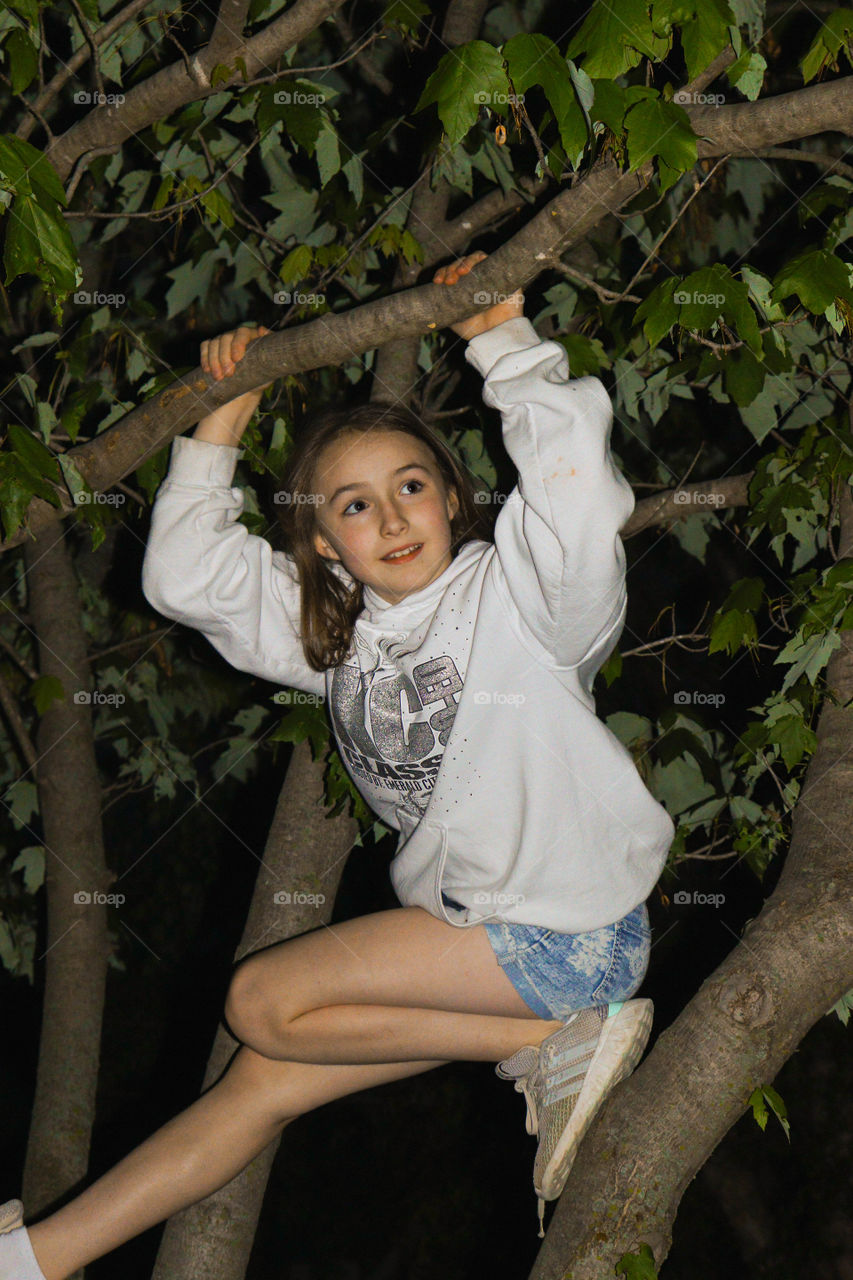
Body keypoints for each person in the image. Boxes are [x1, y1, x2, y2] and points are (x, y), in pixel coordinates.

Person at [0, 252, 674, 1279]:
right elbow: (185, 575)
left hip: (564, 930)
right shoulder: (340, 639)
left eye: (410, 485)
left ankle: (536, 1046)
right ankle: (31, 1262)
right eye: (354, 505)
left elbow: (577, 494)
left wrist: (501, 339)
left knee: (260, 1003)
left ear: (453, 493)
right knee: (260, 1079)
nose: (392, 517)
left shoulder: (526, 606)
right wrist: (225, 404)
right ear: (321, 543)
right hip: (492, 951)